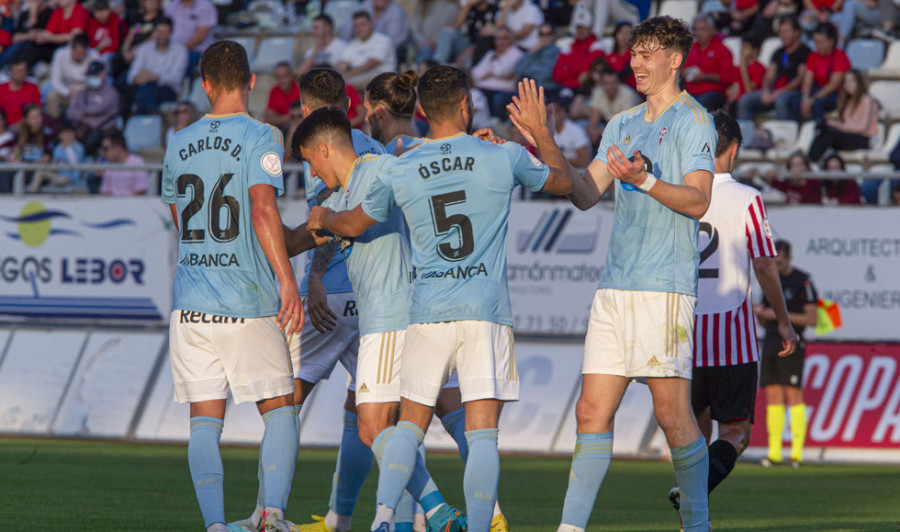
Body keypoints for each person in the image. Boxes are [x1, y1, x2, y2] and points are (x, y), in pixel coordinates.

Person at [307, 67, 573, 532]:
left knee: (407, 426)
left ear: (424, 109)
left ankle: (384, 519)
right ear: (467, 105)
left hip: (426, 313)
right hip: (485, 312)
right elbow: (565, 183)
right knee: (482, 430)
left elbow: (352, 225)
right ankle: (479, 524)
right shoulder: (501, 154)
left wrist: (325, 214)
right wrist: (540, 133)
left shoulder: (401, 165)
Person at [559, 15, 716, 532]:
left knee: (673, 417)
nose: (636, 63)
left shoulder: (694, 120)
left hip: (663, 288)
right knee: (588, 413)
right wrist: (543, 138)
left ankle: (696, 524)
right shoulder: (622, 123)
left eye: (647, 54)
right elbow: (585, 195)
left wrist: (645, 179)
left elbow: (698, 201)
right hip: (615, 288)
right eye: (634, 53)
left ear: (675, 59)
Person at [290, 102, 467, 532]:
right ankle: (411, 516)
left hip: (392, 316)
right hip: (389, 317)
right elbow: (296, 239)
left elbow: (351, 221)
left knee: (371, 427)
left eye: (311, 162)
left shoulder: (378, 170)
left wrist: (466, 145)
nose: (313, 174)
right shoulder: (337, 193)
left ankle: (428, 512)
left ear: (325, 149)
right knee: (390, 426)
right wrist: (253, 231)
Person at [232, 67, 383, 532]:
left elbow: (326, 219)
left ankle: (265, 513)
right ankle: (365, 515)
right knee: (368, 413)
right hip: (373, 299)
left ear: (304, 108)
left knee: (283, 406)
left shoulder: (322, 147)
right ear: (350, 105)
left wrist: (313, 278)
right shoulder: (376, 148)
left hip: (330, 298)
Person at [161, 40, 302, 532]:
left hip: (192, 304)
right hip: (246, 298)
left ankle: (217, 527)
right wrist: (287, 280)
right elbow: (263, 209)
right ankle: (272, 518)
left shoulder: (178, 142)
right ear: (251, 80)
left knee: (204, 420)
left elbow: (179, 216)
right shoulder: (262, 135)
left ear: (204, 86)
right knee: (280, 409)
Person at [669, 110, 798, 513]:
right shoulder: (747, 198)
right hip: (733, 337)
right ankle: (695, 492)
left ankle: (692, 506)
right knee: (736, 432)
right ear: (736, 149)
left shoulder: (678, 194)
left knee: (694, 429)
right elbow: (764, 264)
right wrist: (784, 321)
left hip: (686, 333)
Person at [755, 239, 818, 468]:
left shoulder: (802, 281)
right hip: (771, 340)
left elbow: (812, 318)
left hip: (793, 341)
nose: (777, 266)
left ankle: (797, 454)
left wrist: (777, 315)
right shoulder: (770, 282)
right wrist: (761, 315)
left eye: (780, 262)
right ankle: (774, 453)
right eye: (774, 262)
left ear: (789, 257)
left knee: (793, 395)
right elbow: (765, 320)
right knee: (772, 395)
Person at [737, 16, 809, 121]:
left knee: (781, 101)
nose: (782, 35)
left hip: (794, 92)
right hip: (774, 90)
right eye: (780, 32)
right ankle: (745, 133)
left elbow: (800, 79)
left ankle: (782, 135)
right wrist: (766, 90)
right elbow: (769, 76)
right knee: (745, 100)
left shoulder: (805, 52)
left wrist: (779, 92)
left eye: (786, 32)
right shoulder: (778, 52)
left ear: (797, 32)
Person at [807, 69, 878, 162]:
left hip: (864, 139)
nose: (848, 84)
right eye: (846, 81)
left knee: (829, 133)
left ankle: (810, 162)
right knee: (823, 129)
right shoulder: (846, 102)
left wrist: (836, 125)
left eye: (852, 80)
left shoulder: (868, 100)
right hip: (848, 136)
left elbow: (862, 127)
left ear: (859, 82)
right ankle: (810, 162)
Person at [126, 17, 188, 115]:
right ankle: (150, 115)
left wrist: (154, 77)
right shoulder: (144, 48)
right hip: (143, 87)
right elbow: (131, 75)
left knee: (146, 91)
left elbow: (176, 79)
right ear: (154, 32)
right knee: (142, 89)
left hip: (167, 89)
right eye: (159, 32)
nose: (161, 36)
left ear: (171, 33)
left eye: (165, 32)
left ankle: (140, 118)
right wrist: (139, 78)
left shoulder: (180, 51)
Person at [66, 60, 119, 156]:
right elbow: (71, 112)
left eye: (95, 75)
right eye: (90, 75)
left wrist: (82, 112)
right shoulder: (84, 92)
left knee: (91, 140)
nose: (91, 78)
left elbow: (96, 110)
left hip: (103, 130)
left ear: (103, 75)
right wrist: (84, 116)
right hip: (82, 128)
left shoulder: (110, 93)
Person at [799, 22, 850, 122]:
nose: (817, 46)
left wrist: (813, 98)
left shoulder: (839, 56)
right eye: (815, 42)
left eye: (821, 42)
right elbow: (808, 80)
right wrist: (805, 98)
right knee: (795, 102)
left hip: (837, 94)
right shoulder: (813, 56)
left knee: (817, 104)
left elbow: (834, 84)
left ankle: (820, 131)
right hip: (818, 89)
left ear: (831, 41)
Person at [683, 14, 733, 111]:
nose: (698, 33)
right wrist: (684, 72)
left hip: (713, 92)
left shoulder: (723, 50)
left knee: (699, 106)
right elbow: (683, 68)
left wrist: (705, 77)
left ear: (713, 30)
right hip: (689, 92)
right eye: (696, 30)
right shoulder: (691, 48)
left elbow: (727, 77)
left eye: (703, 29)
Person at [471, 26, 524, 118]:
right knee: (473, 94)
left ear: (511, 39)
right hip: (484, 88)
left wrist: (490, 74)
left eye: (504, 38)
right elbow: (475, 72)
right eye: (497, 39)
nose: (500, 42)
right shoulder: (491, 53)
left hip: (504, 90)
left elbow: (501, 70)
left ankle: (497, 122)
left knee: (497, 98)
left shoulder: (517, 53)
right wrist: (493, 75)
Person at [336, 12, 396, 89]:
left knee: (346, 84)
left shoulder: (383, 40)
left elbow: (371, 64)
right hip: (358, 77)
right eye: (356, 26)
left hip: (381, 79)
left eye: (362, 24)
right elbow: (342, 63)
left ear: (371, 23)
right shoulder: (353, 43)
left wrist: (347, 76)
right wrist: (339, 74)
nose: (359, 28)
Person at [46, 33, 99, 118]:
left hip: (86, 92)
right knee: (51, 97)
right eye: (79, 53)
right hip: (66, 90)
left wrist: (81, 93)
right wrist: (68, 92)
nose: (81, 57)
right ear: (71, 49)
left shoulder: (94, 56)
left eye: (84, 53)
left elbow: (96, 81)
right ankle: (54, 126)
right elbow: (55, 81)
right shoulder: (60, 54)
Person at [432, 0, 498, 67]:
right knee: (446, 32)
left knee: (467, 60)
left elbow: (498, 33)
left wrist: (469, 51)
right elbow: (456, 26)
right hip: (466, 44)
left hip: (482, 48)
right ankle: (436, 67)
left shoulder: (494, 10)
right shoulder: (469, 9)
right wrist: (468, 5)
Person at [552, 10, 605, 92]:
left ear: (591, 28)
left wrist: (568, 69)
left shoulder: (597, 46)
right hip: (567, 87)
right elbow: (557, 76)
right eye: (578, 27)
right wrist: (576, 78)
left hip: (585, 90)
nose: (580, 30)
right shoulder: (568, 47)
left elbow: (587, 75)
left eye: (583, 28)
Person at [586, 66, 641, 145]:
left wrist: (599, 131)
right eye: (607, 83)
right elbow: (594, 119)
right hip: (608, 124)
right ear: (601, 84)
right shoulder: (598, 92)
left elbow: (625, 125)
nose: (610, 87)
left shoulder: (628, 95)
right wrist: (592, 130)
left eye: (613, 82)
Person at [163, 0, 217, 78]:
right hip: (171, 48)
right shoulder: (173, 5)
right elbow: (164, 27)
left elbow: (201, 35)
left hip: (197, 51)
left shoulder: (205, 6)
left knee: (183, 61)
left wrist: (179, 51)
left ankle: (182, 87)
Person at [29, 121, 85, 192]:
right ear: (60, 136)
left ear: (74, 134)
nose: (67, 136)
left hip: (72, 178)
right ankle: (32, 193)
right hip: (59, 177)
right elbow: (55, 164)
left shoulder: (79, 147)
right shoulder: (57, 148)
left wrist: (68, 147)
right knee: (40, 171)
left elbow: (75, 164)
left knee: (63, 180)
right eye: (65, 134)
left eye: (69, 134)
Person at [339, 0, 412, 50]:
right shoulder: (365, 5)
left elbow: (393, 43)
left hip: (388, 51)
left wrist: (371, 48)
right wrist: (347, 47)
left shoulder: (397, 13)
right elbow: (347, 30)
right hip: (361, 45)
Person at [513, 23, 561, 96]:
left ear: (553, 35)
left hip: (545, 89)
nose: (545, 37)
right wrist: (531, 53)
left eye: (548, 34)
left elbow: (547, 74)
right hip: (528, 88)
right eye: (542, 34)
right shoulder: (534, 49)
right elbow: (517, 70)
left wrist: (528, 72)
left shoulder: (557, 51)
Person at [98, 130, 148, 196]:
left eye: (106, 149)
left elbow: (140, 192)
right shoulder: (110, 165)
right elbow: (105, 193)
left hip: (133, 205)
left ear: (118, 148)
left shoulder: (137, 163)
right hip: (112, 204)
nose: (104, 153)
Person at [550, 97, 591, 169]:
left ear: (562, 112)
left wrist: (559, 160)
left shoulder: (576, 130)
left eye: (555, 112)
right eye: (550, 113)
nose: (552, 116)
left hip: (578, 172)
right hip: (558, 171)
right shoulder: (548, 130)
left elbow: (584, 161)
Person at [0, 57, 42, 127]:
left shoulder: (32, 88)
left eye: (23, 71)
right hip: (4, 126)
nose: (21, 74)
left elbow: (36, 109)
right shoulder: (1, 88)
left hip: (26, 126)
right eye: (18, 71)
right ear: (10, 72)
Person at [266, 62, 301, 132]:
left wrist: (280, 119)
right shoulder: (275, 91)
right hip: (282, 129)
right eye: (278, 77)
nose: (282, 81)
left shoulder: (300, 89)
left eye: (285, 76)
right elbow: (269, 119)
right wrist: (291, 117)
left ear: (292, 75)